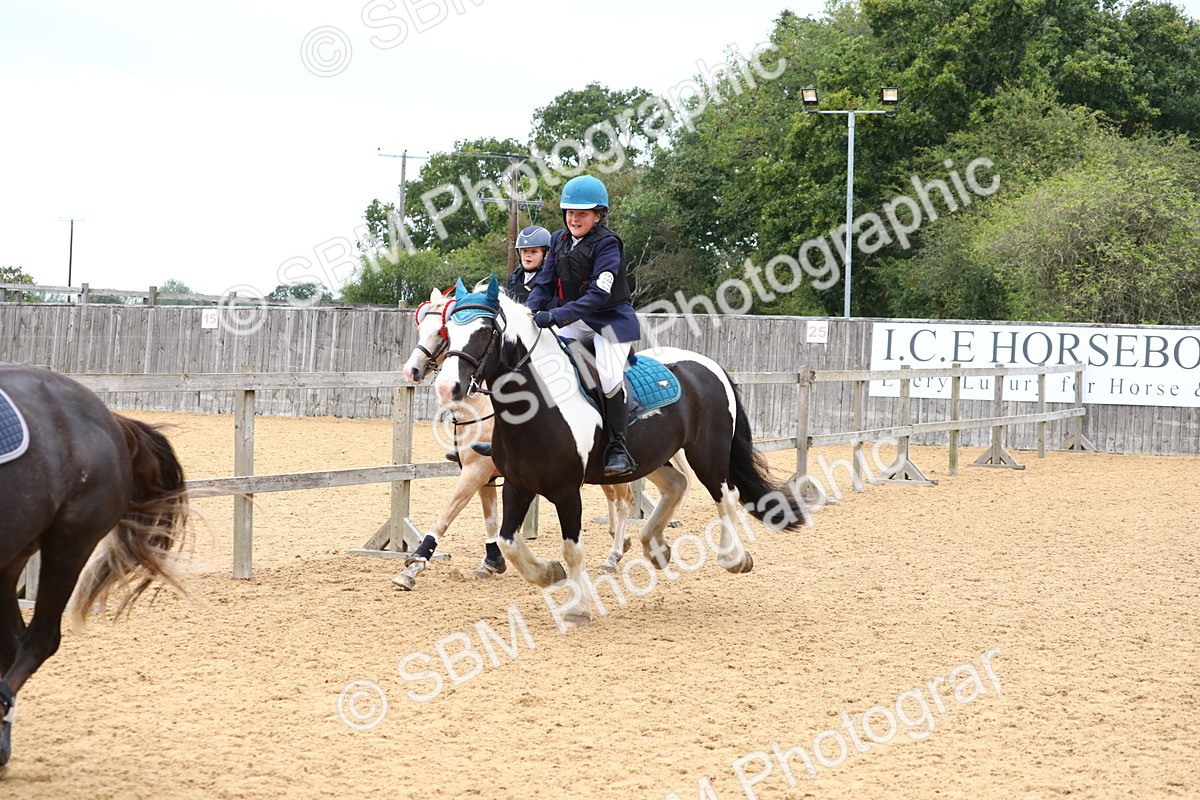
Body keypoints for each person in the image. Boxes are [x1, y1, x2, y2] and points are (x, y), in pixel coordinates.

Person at [525, 174, 641, 478]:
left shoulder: (608, 244)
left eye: (582, 214)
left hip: (611, 320)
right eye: (570, 212)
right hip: (576, 319)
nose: (574, 219)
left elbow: (598, 295)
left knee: (607, 374)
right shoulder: (557, 240)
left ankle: (618, 448)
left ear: (598, 215)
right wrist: (528, 312)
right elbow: (544, 284)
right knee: (540, 356)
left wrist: (555, 316)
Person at [508, 225, 551, 303]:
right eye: (524, 251)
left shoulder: (549, 278)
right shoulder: (514, 278)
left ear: (546, 254)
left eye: (534, 251)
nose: (528, 255)